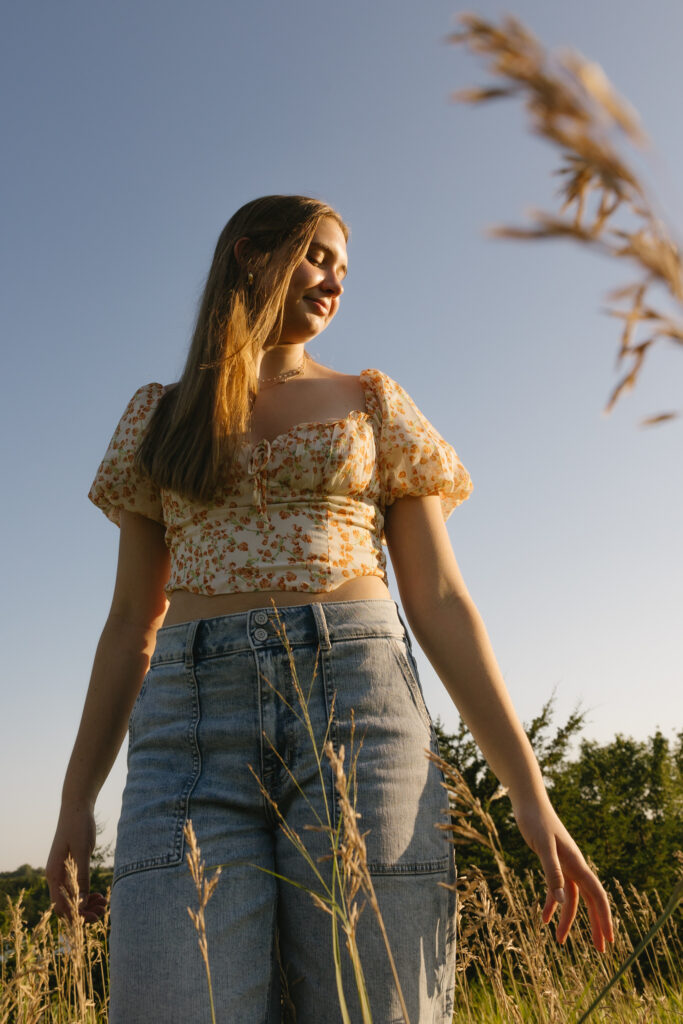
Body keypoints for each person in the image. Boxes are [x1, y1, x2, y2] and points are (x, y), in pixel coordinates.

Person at [46, 194, 613, 1023]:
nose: (333, 280)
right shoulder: (159, 417)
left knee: (377, 1006)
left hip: (360, 712)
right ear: (249, 254)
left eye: (342, 269)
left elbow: (441, 598)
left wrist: (529, 792)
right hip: (188, 733)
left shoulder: (373, 399)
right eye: (317, 255)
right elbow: (133, 621)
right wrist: (73, 802)